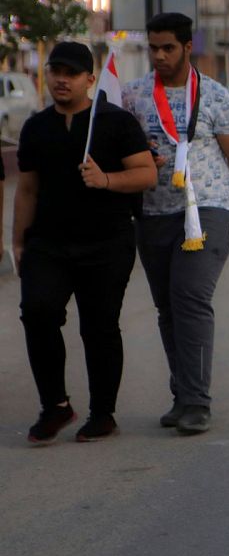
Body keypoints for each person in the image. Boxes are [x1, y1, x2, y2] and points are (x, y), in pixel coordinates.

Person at [122, 12, 229, 435]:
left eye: (168, 47)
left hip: (206, 207)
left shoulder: (215, 97)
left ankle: (197, 402)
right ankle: (183, 395)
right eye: (153, 48)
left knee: (189, 296)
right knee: (167, 307)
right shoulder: (133, 97)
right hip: (152, 212)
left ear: (188, 47)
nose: (159, 56)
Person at [14, 42, 157, 444]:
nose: (61, 79)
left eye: (71, 73)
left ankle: (103, 413)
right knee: (38, 312)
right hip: (48, 243)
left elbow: (146, 174)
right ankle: (55, 406)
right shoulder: (36, 127)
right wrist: (18, 242)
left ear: (90, 80)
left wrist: (106, 180)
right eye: (55, 70)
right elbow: (26, 189)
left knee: (99, 327)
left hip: (106, 242)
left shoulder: (115, 122)